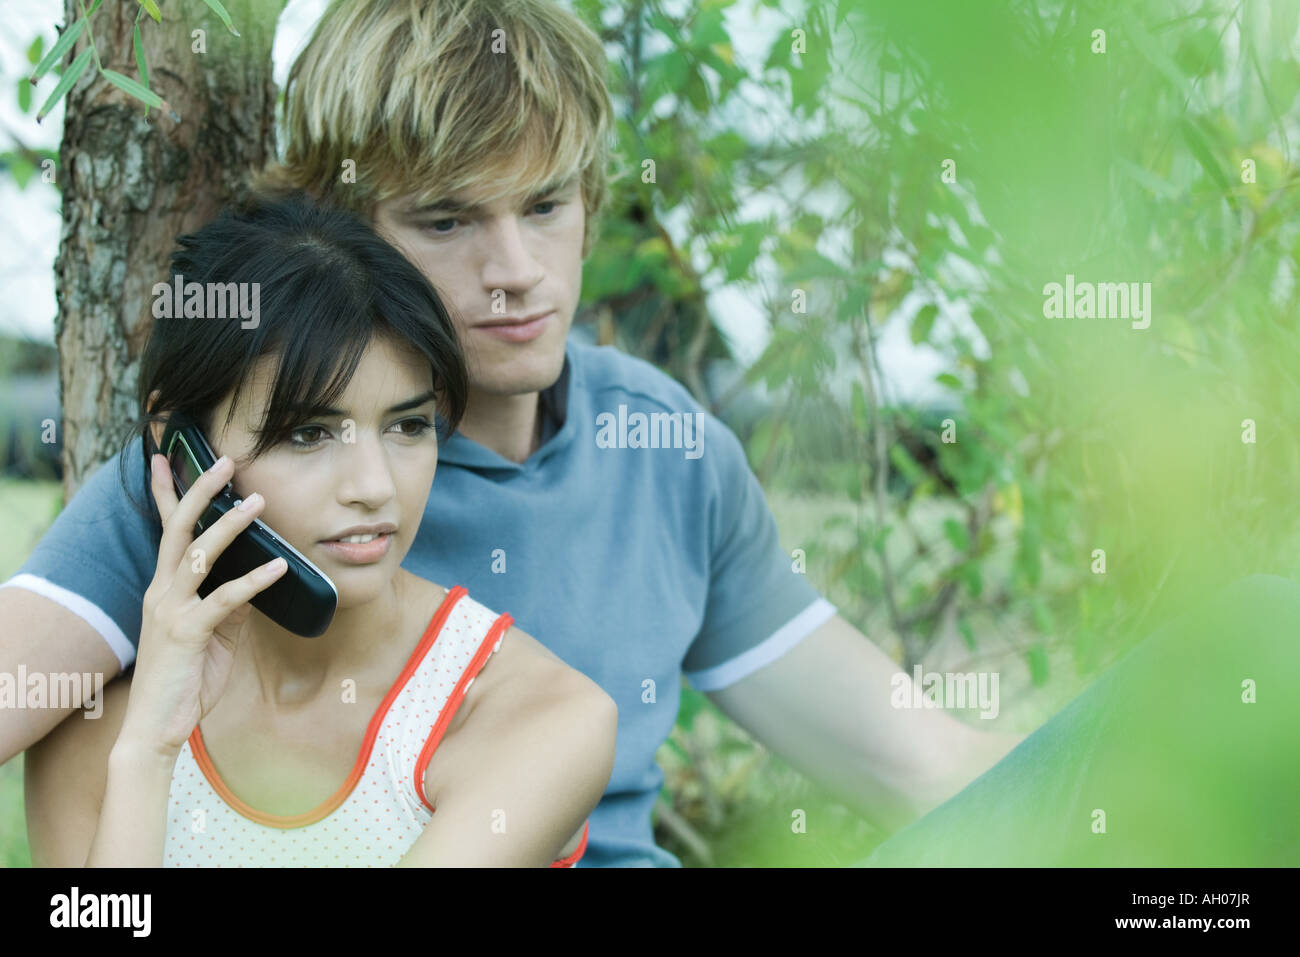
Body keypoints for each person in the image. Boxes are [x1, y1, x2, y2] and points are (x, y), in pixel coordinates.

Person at [1, 0, 1022, 867]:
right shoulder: (230, 480)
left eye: (544, 206)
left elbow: (915, 763)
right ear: (344, 229)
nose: (516, 271)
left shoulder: (663, 451)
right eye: (446, 221)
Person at [21, 192, 615, 867]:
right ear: (178, 447)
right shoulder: (99, 728)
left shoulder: (540, 717)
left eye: (408, 426)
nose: (373, 486)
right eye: (308, 433)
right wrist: (148, 751)